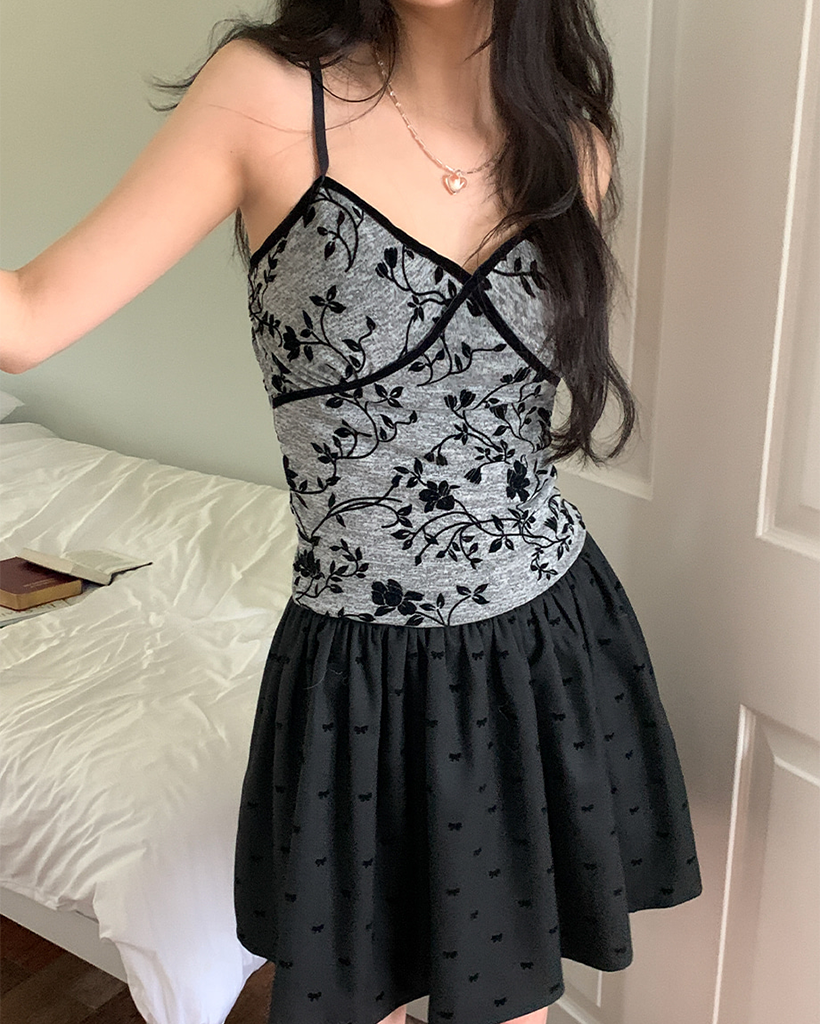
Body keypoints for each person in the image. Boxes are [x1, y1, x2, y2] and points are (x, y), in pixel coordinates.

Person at [0, 1, 704, 1023]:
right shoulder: (266, 97)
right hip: (362, 663)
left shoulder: (574, 145)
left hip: (546, 639)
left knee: (514, 1004)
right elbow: (24, 319)